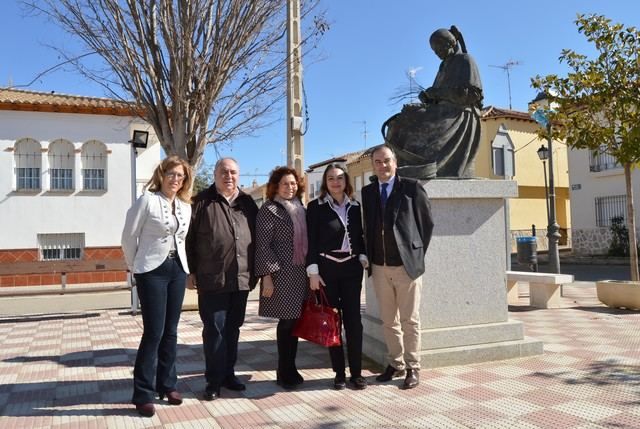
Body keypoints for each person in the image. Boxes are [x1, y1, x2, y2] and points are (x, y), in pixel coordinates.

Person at [121, 156, 194, 417]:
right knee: (154, 332)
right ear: (161, 174)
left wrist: (187, 269)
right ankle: (143, 393)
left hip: (177, 270)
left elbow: (184, 241)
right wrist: (135, 267)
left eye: (181, 176)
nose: (176, 179)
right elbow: (128, 237)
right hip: (151, 271)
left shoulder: (186, 206)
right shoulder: (147, 200)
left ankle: (168, 384)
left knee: (171, 332)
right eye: (171, 174)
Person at [361, 145, 434, 389]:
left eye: (387, 161)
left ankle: (413, 366)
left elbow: (426, 224)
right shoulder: (368, 192)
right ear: (373, 165)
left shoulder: (412, 188)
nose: (383, 166)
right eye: (378, 162)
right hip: (379, 267)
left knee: (410, 320)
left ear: (396, 162)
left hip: (406, 267)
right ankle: (395, 363)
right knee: (388, 320)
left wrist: (414, 253)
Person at [185, 158, 259, 401]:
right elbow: (189, 239)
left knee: (232, 329)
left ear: (239, 175)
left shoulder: (248, 203)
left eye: (233, 172)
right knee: (214, 330)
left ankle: (229, 374)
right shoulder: (202, 202)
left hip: (241, 279)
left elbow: (258, 239)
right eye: (223, 172)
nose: (229, 176)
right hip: (212, 279)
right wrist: (191, 271)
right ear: (215, 174)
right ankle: (213, 381)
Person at [383, 26, 483, 178]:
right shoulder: (444, 66)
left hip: (459, 114)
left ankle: (419, 165)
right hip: (441, 112)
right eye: (434, 51)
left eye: (439, 49)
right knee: (398, 122)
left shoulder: (465, 60)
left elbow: (472, 94)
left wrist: (437, 93)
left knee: (410, 126)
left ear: (450, 43)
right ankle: (399, 166)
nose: (437, 54)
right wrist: (428, 97)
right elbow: (438, 97)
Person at [306, 163, 368, 390]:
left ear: (346, 181)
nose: (335, 182)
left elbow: (359, 235)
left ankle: (357, 373)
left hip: (351, 270)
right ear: (325, 182)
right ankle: (339, 373)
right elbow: (311, 240)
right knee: (332, 322)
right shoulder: (315, 207)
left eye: (340, 178)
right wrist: (312, 271)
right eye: (331, 178)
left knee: (354, 322)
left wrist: (362, 255)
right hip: (326, 271)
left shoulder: (355, 206)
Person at [255, 166, 308, 390]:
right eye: (285, 184)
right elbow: (263, 245)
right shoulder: (269, 209)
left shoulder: (300, 208)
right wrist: (267, 277)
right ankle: (283, 370)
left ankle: (291, 367)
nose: (290, 187)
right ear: (276, 186)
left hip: (301, 273)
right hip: (281, 274)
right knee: (286, 323)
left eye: (293, 183)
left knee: (295, 322)